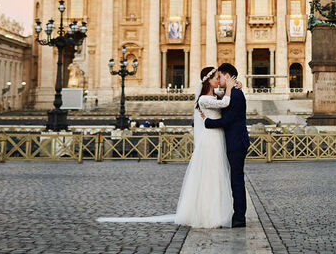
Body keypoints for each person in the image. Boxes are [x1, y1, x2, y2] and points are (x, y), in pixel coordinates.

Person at [97, 66, 235, 228]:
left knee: (215, 173)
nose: (219, 80)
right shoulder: (204, 98)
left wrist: (233, 87)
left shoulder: (212, 95)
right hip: (211, 139)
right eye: (217, 77)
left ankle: (214, 210)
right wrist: (230, 88)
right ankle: (208, 213)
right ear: (208, 80)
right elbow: (225, 102)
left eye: (220, 77)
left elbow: (222, 102)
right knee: (210, 174)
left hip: (215, 137)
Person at [204, 62, 250, 228]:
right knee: (235, 178)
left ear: (228, 76)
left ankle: (239, 216)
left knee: (236, 179)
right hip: (235, 140)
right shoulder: (233, 92)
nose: (218, 80)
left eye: (220, 76)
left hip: (237, 141)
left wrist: (206, 122)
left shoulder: (236, 95)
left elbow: (227, 120)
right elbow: (215, 94)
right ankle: (237, 214)